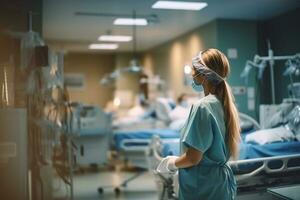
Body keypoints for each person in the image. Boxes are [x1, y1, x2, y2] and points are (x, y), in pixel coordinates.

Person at [157, 49, 241, 199]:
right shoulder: (224, 104)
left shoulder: (203, 107)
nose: (191, 74)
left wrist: (171, 163)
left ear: (203, 75)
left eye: (193, 70)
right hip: (219, 186)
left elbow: (192, 158)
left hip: (203, 187)